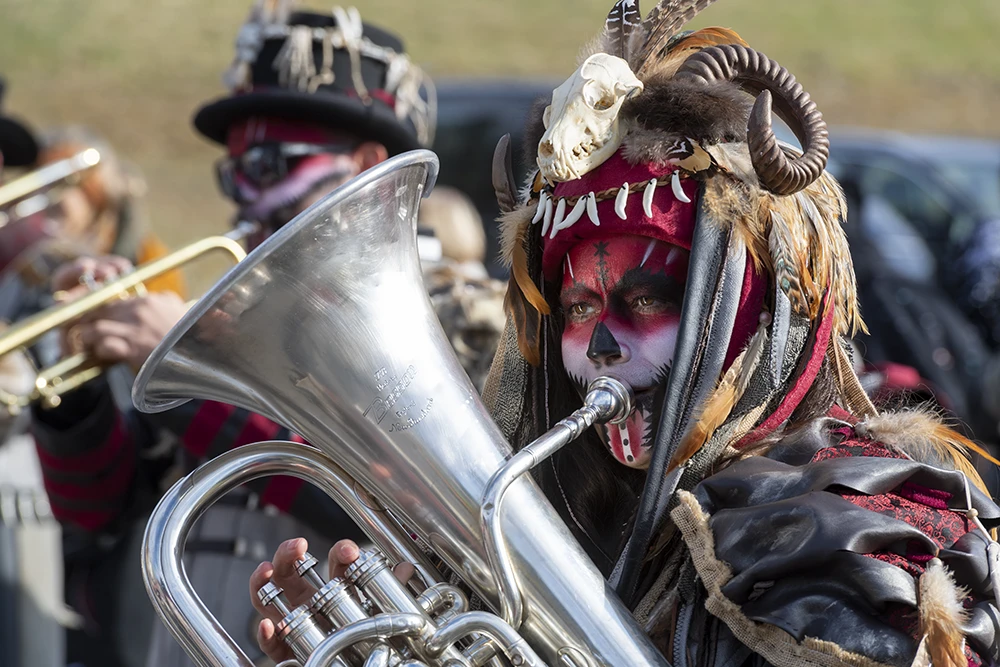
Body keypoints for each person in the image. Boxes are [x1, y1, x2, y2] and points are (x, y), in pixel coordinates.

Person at [251, 2, 1000, 666]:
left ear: (750, 317)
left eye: (648, 299)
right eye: (577, 307)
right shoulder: (578, 527)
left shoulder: (866, 536)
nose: (602, 345)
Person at [29, 3, 502, 666]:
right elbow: (95, 511)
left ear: (365, 162)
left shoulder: (462, 314)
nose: (244, 197)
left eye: (273, 165)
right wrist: (75, 391)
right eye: (234, 172)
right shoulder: (218, 318)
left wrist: (197, 380)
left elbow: (409, 514)